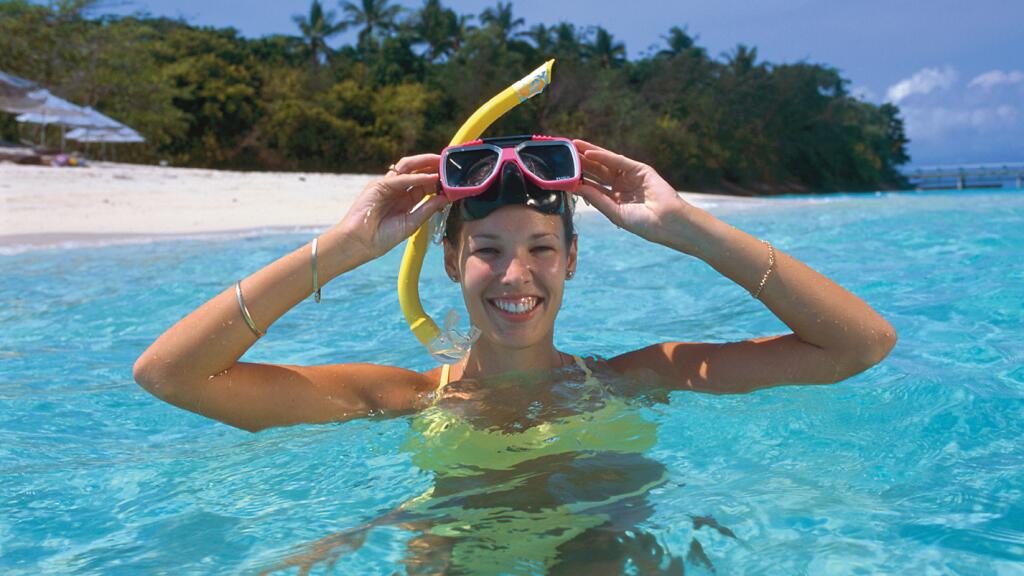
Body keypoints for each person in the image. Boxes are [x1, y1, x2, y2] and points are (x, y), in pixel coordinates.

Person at [133, 138, 896, 572]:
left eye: (540, 249)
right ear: (451, 263)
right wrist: (337, 250)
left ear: (571, 260)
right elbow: (170, 374)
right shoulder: (401, 396)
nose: (515, 276)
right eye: (487, 251)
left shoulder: (641, 377)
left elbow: (859, 345)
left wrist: (686, 225)